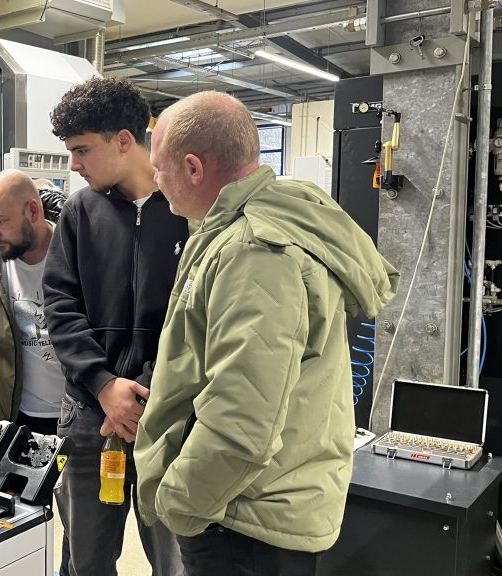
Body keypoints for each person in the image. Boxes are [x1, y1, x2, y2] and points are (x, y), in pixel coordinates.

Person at [135, 91, 399, 576]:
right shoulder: (251, 226)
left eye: (159, 167)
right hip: (256, 506)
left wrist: (179, 503)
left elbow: (243, 419)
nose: (155, 180)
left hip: (242, 520)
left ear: (193, 168)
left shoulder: (253, 251)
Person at [43, 76, 188, 576]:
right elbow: (60, 305)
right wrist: (104, 385)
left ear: (124, 140)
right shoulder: (79, 212)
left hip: (165, 417)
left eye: (81, 150)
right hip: (89, 416)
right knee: (85, 560)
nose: (73, 165)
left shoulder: (188, 212)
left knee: (176, 560)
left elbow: (196, 321)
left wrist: (144, 391)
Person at [0, 169, 66, 435]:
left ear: (33, 211)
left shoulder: (77, 255)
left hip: (80, 419)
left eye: (0, 221)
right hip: (16, 420)